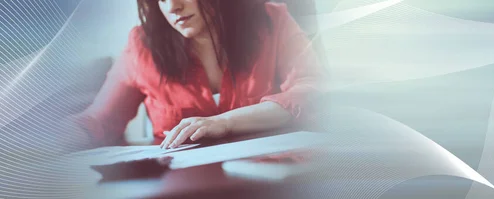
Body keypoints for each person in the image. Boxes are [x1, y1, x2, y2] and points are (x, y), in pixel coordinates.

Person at [73, 0, 324, 149]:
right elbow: (98, 120)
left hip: (269, 178)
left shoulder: (271, 20)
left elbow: (312, 92)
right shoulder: (142, 46)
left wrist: (225, 122)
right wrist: (50, 137)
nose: (173, 7)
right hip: (184, 188)